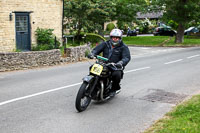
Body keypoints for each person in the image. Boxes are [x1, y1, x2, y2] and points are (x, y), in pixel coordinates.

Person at [88, 28, 131, 94]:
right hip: (103, 63)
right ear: (111, 37)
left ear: (120, 38)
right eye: (113, 37)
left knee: (117, 74)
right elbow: (96, 50)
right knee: (92, 68)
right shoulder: (105, 44)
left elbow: (126, 57)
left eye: (117, 38)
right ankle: (92, 85)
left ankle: (114, 89)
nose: (115, 39)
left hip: (115, 66)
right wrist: (92, 54)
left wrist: (121, 62)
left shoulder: (123, 47)